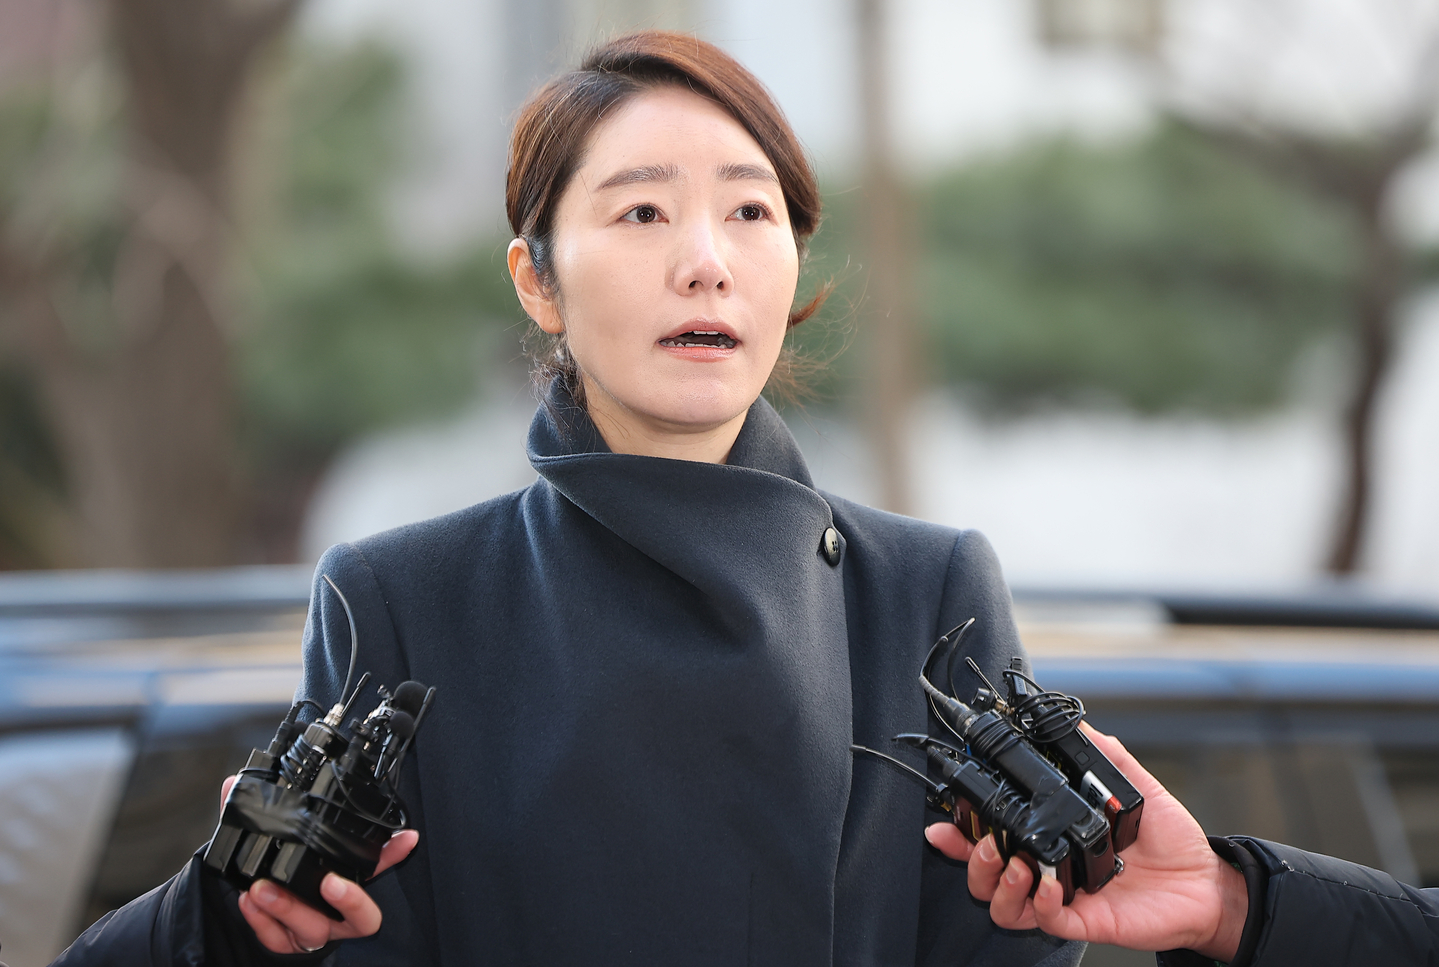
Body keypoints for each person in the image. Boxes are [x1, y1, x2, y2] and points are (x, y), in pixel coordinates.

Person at [48, 28, 1439, 967]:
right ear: (537, 275)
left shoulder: (928, 586)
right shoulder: (400, 595)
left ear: (792, 264)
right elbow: (325, 925)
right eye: (641, 211)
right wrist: (220, 919)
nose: (706, 260)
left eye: (752, 210)